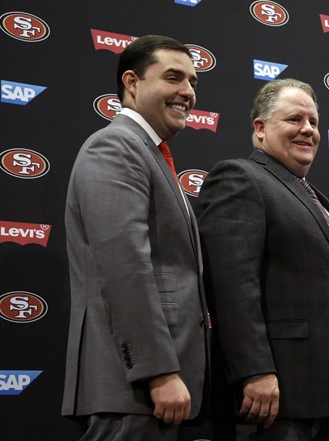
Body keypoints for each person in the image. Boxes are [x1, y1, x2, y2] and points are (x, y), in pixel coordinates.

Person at [61, 35, 209, 441]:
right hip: (131, 387)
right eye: (173, 78)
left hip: (150, 392)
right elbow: (125, 267)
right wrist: (158, 372)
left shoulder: (149, 151)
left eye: (193, 82)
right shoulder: (116, 146)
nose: (188, 92)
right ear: (132, 82)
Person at [196, 78, 329, 440]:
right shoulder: (240, 178)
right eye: (294, 119)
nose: (308, 130)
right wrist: (253, 371)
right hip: (271, 400)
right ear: (260, 128)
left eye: (313, 122)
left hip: (324, 401)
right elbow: (233, 287)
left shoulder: (314, 198)